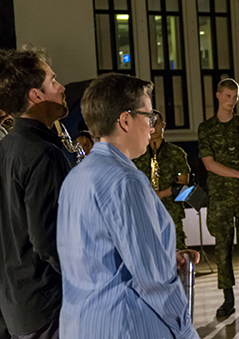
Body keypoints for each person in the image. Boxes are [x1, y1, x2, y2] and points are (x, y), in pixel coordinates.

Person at [57, 73, 199, 339]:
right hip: (126, 325)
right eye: (148, 116)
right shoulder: (126, 180)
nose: (153, 127)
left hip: (82, 324)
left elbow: (97, 256)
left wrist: (165, 254)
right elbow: (153, 279)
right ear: (125, 120)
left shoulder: (76, 176)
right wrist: (185, 330)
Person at [0, 47, 70, 339]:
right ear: (35, 95)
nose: (62, 87)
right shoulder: (42, 154)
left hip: (18, 303)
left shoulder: (9, 146)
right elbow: (48, 240)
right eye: (53, 81)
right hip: (48, 305)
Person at [198, 78, 239, 318]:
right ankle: (227, 300)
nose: (231, 101)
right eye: (227, 96)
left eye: (234, 97)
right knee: (222, 248)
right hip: (220, 195)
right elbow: (209, 164)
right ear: (218, 96)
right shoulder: (207, 128)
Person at [132, 110, 191, 249]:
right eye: (149, 123)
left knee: (176, 251)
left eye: (156, 123)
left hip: (170, 210)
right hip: (144, 210)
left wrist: (160, 195)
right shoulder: (136, 153)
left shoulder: (176, 153)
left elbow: (183, 183)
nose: (153, 128)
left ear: (163, 125)